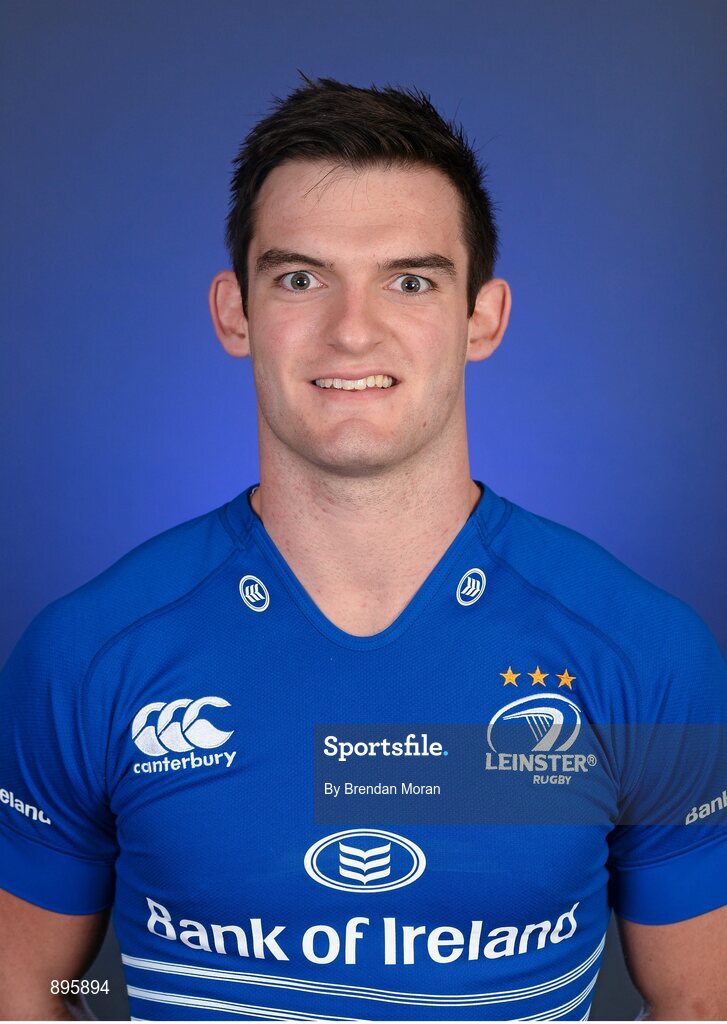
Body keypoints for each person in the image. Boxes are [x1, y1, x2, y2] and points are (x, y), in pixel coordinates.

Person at [0, 72, 724, 1023]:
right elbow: (28, 994)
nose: (351, 331)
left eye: (410, 281)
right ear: (234, 312)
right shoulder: (87, 656)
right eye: (300, 278)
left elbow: (700, 1004)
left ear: (481, 318)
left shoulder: (645, 657)